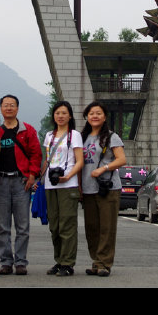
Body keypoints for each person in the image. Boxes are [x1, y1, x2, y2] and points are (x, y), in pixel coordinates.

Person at [0, 94, 42, 276]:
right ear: (1, 109)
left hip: (22, 182)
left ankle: (21, 262)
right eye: (5, 105)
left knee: (23, 226)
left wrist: (32, 175)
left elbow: (36, 154)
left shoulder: (27, 130)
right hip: (0, 181)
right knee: (3, 226)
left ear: (17, 108)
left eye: (12, 105)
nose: (9, 108)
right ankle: (6, 262)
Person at [80, 101, 127, 277]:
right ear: (87, 116)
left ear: (104, 116)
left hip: (108, 188)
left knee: (107, 227)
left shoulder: (111, 137)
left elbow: (121, 159)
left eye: (98, 113)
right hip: (87, 188)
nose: (95, 116)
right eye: (91, 113)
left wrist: (104, 168)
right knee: (91, 228)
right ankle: (96, 260)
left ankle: (104, 264)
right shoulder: (82, 137)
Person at [42, 101, 83, 277]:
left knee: (67, 224)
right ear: (54, 116)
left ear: (70, 116)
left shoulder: (74, 135)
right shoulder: (49, 135)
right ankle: (59, 260)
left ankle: (68, 263)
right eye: (57, 113)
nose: (60, 116)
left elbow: (79, 160)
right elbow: (48, 160)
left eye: (64, 113)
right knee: (54, 225)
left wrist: (68, 175)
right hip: (51, 184)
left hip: (68, 184)